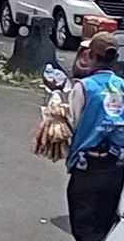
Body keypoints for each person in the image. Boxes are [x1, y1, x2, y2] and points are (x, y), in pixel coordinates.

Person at [66, 32, 124, 241]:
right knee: (104, 225)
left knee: (83, 227)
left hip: (88, 167)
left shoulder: (84, 87)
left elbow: (70, 122)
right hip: (116, 168)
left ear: (90, 55)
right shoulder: (122, 85)